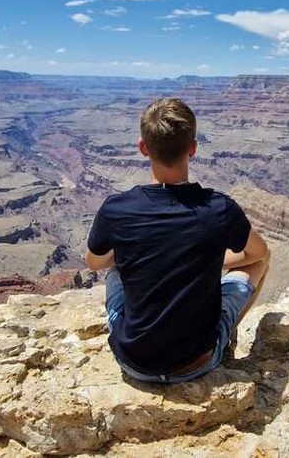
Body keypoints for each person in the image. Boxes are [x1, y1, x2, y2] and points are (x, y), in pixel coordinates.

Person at [85, 97, 270, 383]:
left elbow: (93, 262)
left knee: (116, 270)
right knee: (263, 262)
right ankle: (224, 337)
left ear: (143, 147)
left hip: (133, 362)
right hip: (196, 364)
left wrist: (139, 253)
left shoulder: (116, 208)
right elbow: (259, 253)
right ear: (193, 148)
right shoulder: (219, 208)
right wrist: (205, 261)